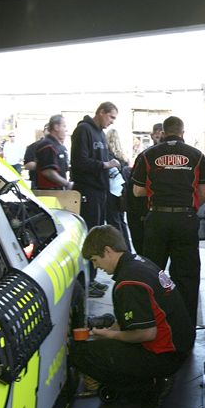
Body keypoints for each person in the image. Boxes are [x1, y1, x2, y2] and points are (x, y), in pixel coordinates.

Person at [70, 226, 195, 408]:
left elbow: (146, 333)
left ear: (108, 251)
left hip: (165, 356)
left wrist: (109, 336)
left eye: (95, 260)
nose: (96, 266)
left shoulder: (128, 283)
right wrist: (110, 330)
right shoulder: (140, 262)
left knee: (80, 353)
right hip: (180, 346)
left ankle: (146, 387)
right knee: (109, 330)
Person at [132, 116, 205, 327]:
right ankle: (184, 328)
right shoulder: (196, 155)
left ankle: (152, 324)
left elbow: (138, 190)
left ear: (164, 132)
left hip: (157, 218)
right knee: (186, 276)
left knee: (152, 273)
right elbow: (204, 193)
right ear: (182, 132)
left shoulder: (148, 154)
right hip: (185, 219)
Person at [71, 101, 121, 297]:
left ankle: (91, 278)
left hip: (100, 191)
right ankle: (85, 281)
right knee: (88, 237)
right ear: (101, 112)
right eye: (111, 117)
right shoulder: (83, 130)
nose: (111, 122)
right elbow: (79, 162)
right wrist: (106, 165)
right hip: (87, 191)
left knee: (97, 237)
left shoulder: (100, 133)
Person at [34, 115, 72, 190]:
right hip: (49, 192)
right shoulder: (47, 145)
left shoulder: (60, 146)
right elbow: (48, 171)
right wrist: (67, 184)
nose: (66, 130)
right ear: (56, 127)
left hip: (59, 190)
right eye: (64, 126)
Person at [23, 124, 48, 188]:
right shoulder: (33, 147)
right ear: (44, 132)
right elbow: (27, 165)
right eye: (48, 130)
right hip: (38, 184)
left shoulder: (61, 148)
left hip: (58, 187)